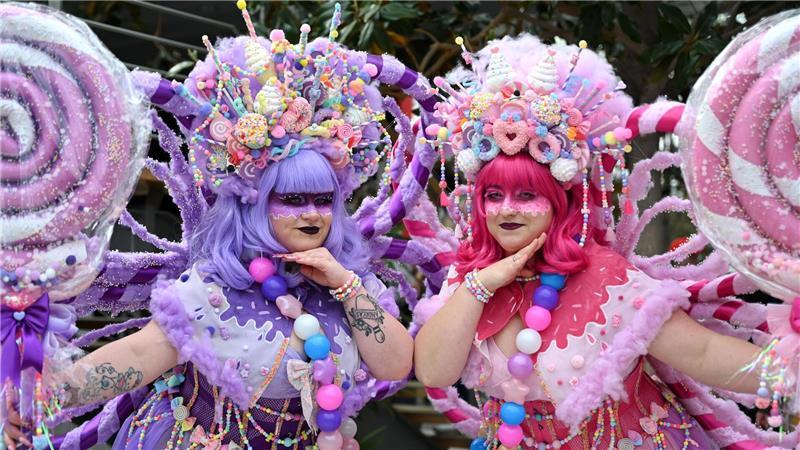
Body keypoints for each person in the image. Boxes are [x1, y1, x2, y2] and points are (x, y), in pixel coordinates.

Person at [3, 5, 417, 449]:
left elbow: (395, 365)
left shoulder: (352, 288)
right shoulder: (214, 290)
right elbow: (140, 355)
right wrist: (42, 399)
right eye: (292, 200)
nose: (312, 213)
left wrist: (344, 284)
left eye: (323, 200)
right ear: (254, 205)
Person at [413, 35, 771, 449]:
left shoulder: (604, 277)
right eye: (494, 196)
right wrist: (483, 283)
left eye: (527, 195)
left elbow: (704, 353)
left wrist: (788, 368)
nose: (507, 210)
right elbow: (434, 372)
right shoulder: (468, 278)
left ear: (559, 201)